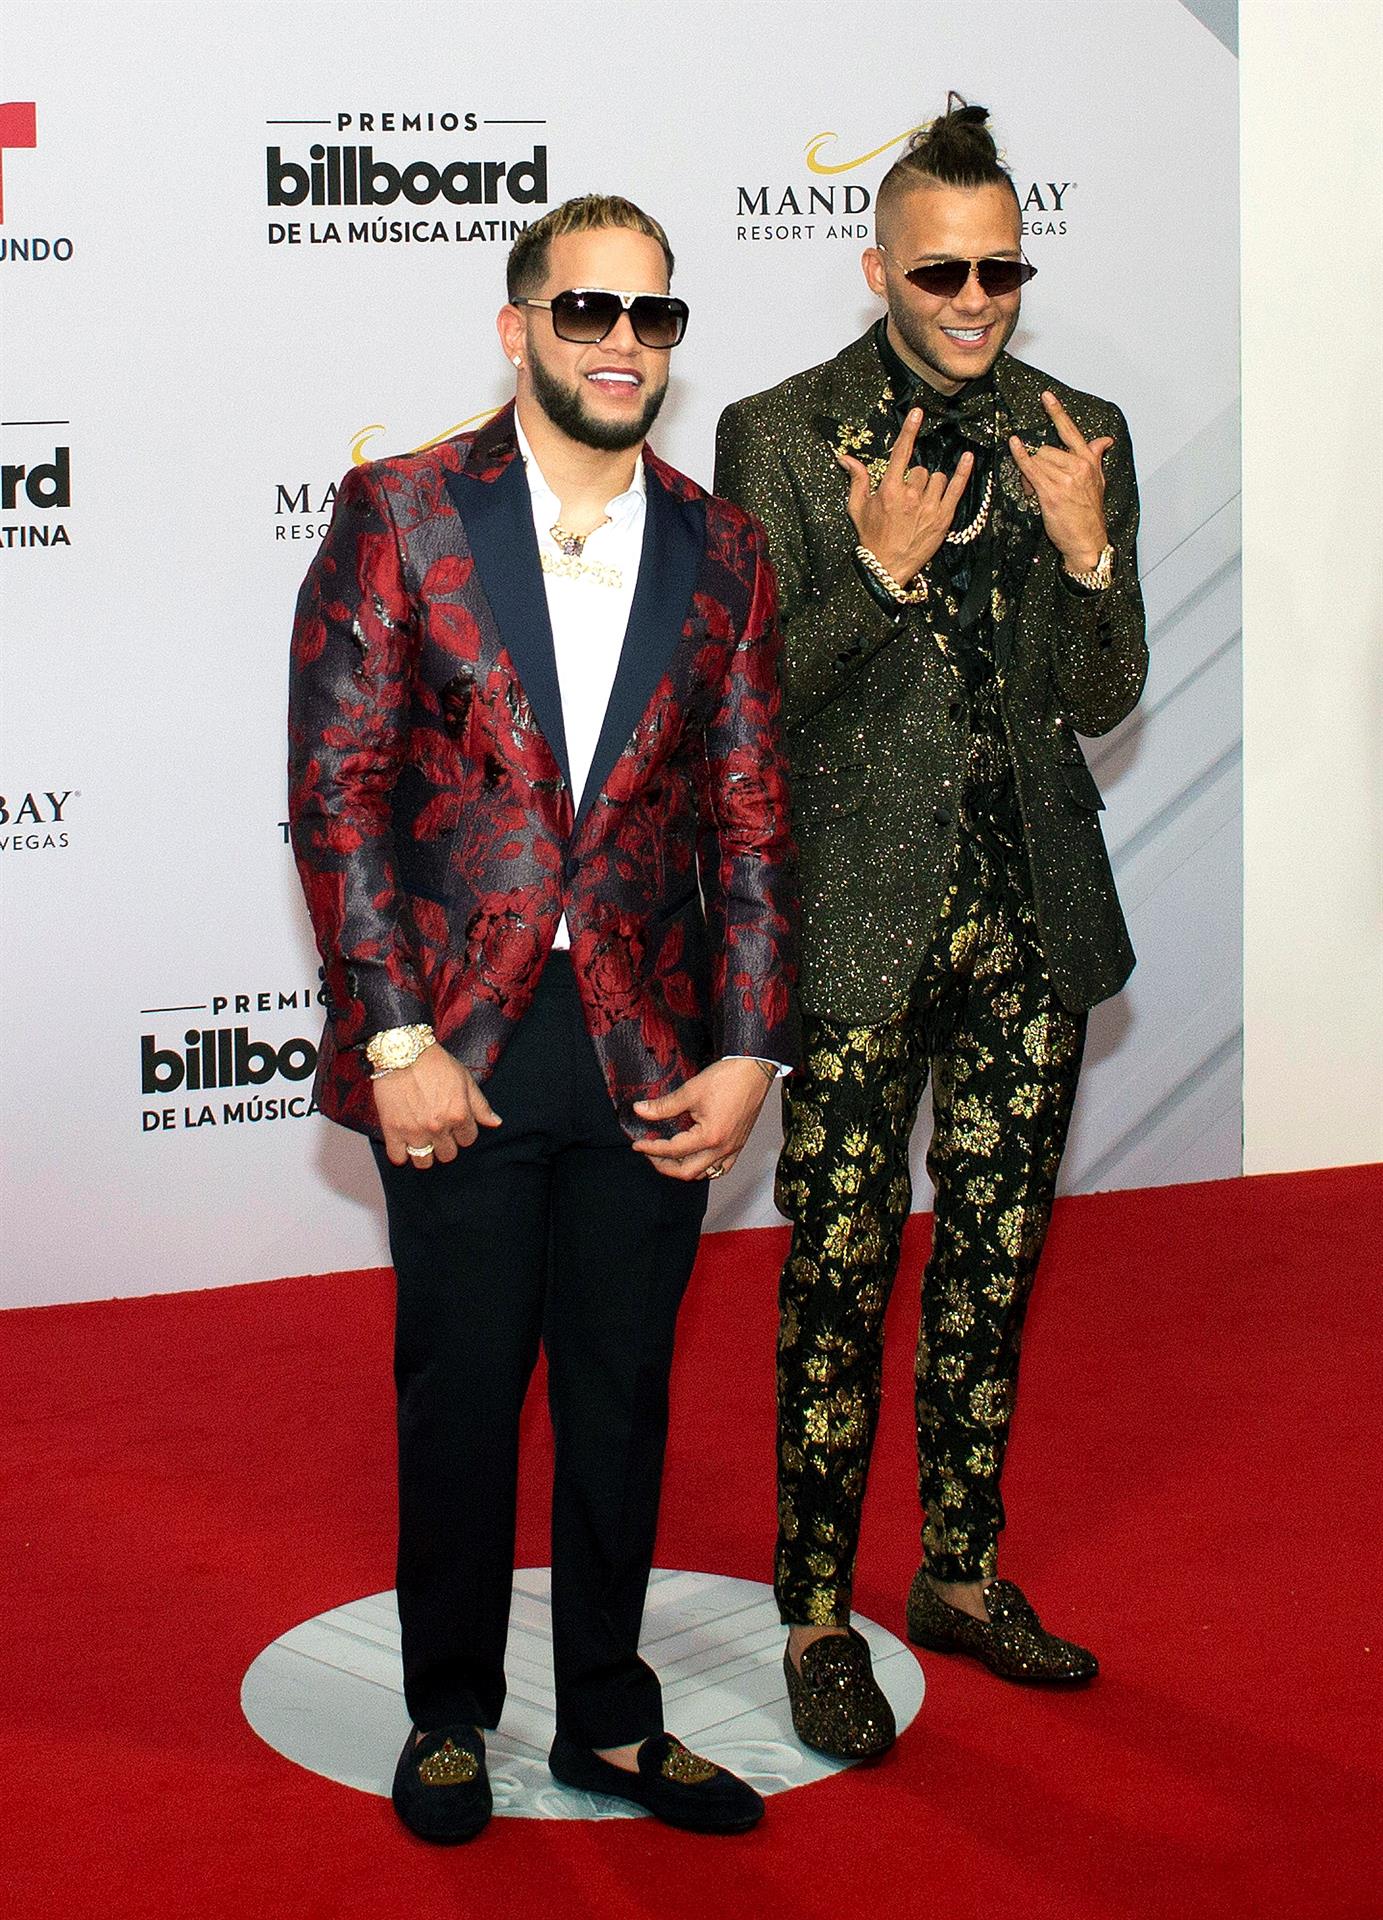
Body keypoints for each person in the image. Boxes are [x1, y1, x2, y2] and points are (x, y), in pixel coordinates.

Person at [289, 194, 796, 1841]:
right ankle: (448, 1712)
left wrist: (751, 1047)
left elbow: (754, 816)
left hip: (651, 1045)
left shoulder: (725, 548)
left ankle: (609, 1721)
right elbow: (339, 797)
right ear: (517, 329)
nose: (623, 345)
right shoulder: (406, 513)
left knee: (621, 1389)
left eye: (653, 318)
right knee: (460, 1384)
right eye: (587, 312)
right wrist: (391, 1038)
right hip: (461, 1042)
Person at [714, 100, 1147, 1760]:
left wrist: (1091, 550)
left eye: (1004, 268)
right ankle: (818, 1611)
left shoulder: (1078, 424)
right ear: (878, 261)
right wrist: (883, 575)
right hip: (856, 928)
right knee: (833, 1271)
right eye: (944, 268)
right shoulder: (779, 432)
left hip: (1031, 921)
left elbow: (1108, 696)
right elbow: (749, 702)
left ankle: (960, 1575)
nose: (977, 299)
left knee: (992, 1265)